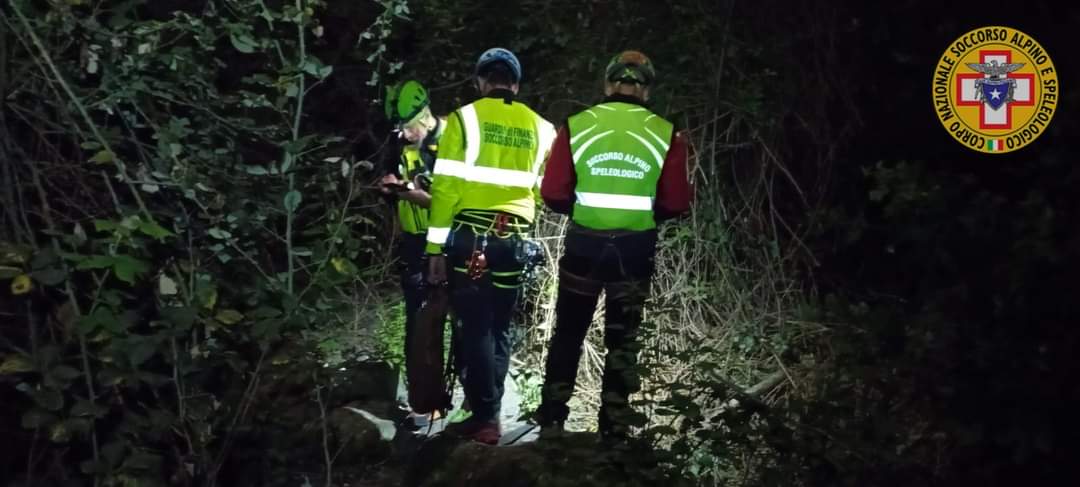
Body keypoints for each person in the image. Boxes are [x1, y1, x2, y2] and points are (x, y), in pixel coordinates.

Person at [535, 50, 692, 440]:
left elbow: (552, 193)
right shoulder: (667, 132)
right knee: (622, 341)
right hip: (635, 250)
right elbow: (676, 203)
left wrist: (586, 210)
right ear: (646, 89)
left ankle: (553, 420)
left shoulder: (576, 125)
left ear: (608, 84)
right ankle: (614, 429)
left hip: (585, 245)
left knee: (569, 334)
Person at [425, 47, 556, 444]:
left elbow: (445, 187)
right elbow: (541, 191)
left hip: (471, 239)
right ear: (514, 84)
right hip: (515, 239)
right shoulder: (543, 127)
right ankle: (489, 408)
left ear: (481, 81)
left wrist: (434, 249)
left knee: (475, 326)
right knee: (500, 326)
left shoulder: (463, 120)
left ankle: (485, 417)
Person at [380, 80, 444, 425]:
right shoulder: (399, 144)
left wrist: (422, 197)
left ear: (426, 115)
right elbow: (390, 180)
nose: (403, 135)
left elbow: (457, 197)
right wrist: (391, 189)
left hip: (450, 241)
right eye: (399, 128)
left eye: (407, 127)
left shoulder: (451, 141)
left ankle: (468, 404)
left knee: (459, 321)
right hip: (415, 243)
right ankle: (424, 402)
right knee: (418, 323)